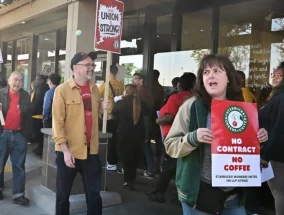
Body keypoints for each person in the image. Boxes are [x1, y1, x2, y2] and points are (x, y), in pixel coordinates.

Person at [164, 54, 268, 215]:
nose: (210, 75)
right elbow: (170, 145)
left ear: (228, 78)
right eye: (205, 72)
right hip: (200, 194)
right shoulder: (192, 106)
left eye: (217, 70)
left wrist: (258, 140)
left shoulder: (242, 107)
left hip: (234, 194)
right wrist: (193, 138)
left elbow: (243, 147)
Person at [53, 52, 105, 215]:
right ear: (75, 67)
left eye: (92, 65)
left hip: (91, 152)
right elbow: (57, 122)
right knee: (63, 195)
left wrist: (104, 110)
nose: (91, 68)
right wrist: (65, 150)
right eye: (87, 65)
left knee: (94, 195)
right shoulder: (62, 90)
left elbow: (97, 117)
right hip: (69, 152)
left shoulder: (95, 89)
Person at [148, 72, 196, 204]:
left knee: (167, 167)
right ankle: (180, 194)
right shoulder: (196, 98)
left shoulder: (176, 98)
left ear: (179, 84)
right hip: (191, 138)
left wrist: (159, 120)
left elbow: (169, 117)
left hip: (174, 137)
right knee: (184, 166)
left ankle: (159, 193)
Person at [0, 71, 32, 205]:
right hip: (2, 135)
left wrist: (27, 136)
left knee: (19, 166)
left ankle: (18, 194)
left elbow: (28, 116)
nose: (17, 82)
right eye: (14, 79)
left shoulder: (25, 95)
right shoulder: (1, 93)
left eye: (20, 80)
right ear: (8, 80)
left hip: (19, 135)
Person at [112, 84, 148, 190]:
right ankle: (132, 177)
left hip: (124, 133)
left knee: (126, 157)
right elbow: (146, 119)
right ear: (135, 91)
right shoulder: (142, 103)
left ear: (125, 91)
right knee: (135, 156)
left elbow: (113, 117)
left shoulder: (120, 103)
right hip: (139, 133)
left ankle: (128, 181)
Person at [259, 62, 284, 215]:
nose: (274, 76)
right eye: (274, 73)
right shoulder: (277, 97)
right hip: (275, 156)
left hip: (277, 158)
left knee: (280, 194)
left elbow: (279, 130)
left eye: (280, 74)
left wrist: (265, 157)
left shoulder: (281, 99)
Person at [99, 65, 124, 171]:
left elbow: (97, 99)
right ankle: (113, 162)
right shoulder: (121, 85)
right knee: (114, 140)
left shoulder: (104, 85)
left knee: (105, 139)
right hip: (117, 116)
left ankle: (107, 161)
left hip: (107, 116)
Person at [132, 73, 155, 179]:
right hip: (147, 121)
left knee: (144, 146)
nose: (133, 81)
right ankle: (148, 169)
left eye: (135, 79)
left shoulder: (141, 92)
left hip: (143, 122)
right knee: (145, 146)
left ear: (141, 80)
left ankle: (149, 170)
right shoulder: (147, 91)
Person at [31, 75, 49, 156]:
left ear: (42, 80)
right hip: (41, 114)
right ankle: (39, 148)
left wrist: (31, 111)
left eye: (37, 79)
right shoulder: (45, 88)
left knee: (38, 133)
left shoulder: (41, 89)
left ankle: (40, 149)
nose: (35, 81)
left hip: (38, 115)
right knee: (40, 134)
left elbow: (37, 102)